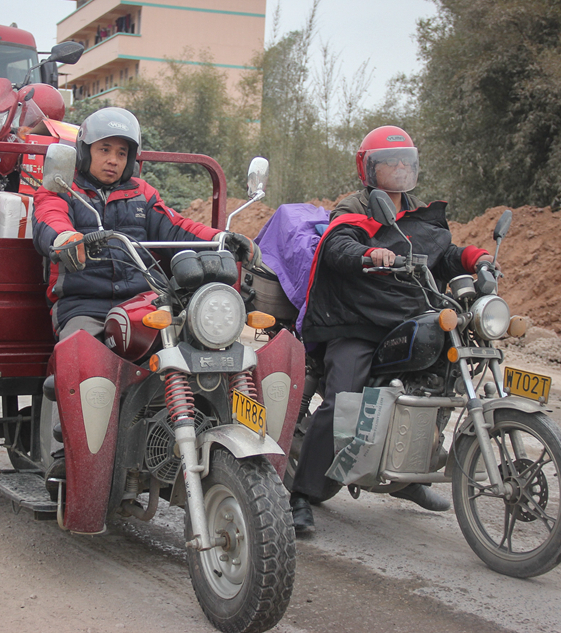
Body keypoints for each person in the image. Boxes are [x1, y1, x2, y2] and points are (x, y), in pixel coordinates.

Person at [290, 125, 494, 534]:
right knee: (343, 395)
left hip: (408, 315)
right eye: (389, 163)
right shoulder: (355, 206)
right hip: (357, 320)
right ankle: (300, 494)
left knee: (439, 379)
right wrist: (370, 254)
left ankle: (408, 478)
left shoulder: (418, 211)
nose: (400, 169)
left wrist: (477, 257)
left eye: (406, 162)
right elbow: (337, 246)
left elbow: (443, 254)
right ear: (368, 168)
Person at [32, 106, 259, 341]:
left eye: (122, 153)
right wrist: (65, 238)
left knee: (200, 342)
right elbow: (50, 217)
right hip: (84, 305)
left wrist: (220, 238)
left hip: (144, 300)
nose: (113, 160)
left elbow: (176, 227)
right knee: (80, 353)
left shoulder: (143, 193)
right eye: (104, 149)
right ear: (85, 152)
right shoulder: (63, 189)